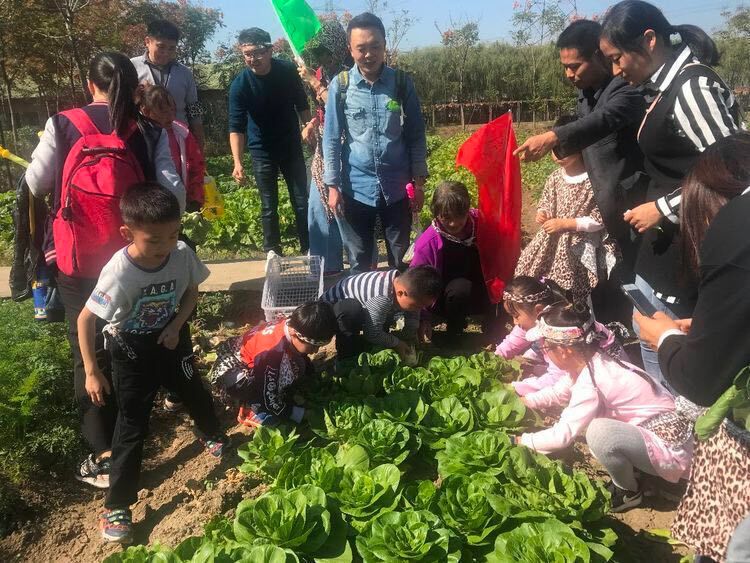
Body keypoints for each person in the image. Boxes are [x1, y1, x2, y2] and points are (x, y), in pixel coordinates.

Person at [25, 52, 185, 490]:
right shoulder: (145, 129)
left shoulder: (63, 124)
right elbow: (172, 192)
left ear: (88, 84)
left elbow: (35, 183)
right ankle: (140, 424)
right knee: (137, 330)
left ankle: (103, 451)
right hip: (133, 258)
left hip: (78, 259)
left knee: (88, 346)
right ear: (134, 87)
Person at [599, 0, 742, 384]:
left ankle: (678, 418)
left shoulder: (693, 87)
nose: (615, 70)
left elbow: (734, 173)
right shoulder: (665, 87)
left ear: (649, 40)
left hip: (691, 247)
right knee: (653, 336)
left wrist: (663, 207)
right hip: (668, 247)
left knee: (674, 351)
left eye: (617, 58)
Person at [77, 182, 225, 543]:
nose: (165, 247)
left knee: (193, 389)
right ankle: (117, 505)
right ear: (127, 233)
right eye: (154, 240)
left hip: (171, 337)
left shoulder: (181, 253)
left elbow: (191, 293)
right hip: (130, 350)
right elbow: (85, 319)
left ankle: (211, 433)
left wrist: (176, 326)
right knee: (133, 423)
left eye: (173, 235)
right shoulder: (119, 271)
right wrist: (92, 371)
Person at [634, 133, 750, 562]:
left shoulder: (737, 226)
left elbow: (700, 380)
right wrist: (710, 326)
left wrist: (664, 337)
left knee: (733, 545)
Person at [517, 303, 695, 513]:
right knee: (601, 432)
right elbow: (559, 391)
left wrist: (520, 441)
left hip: (673, 451)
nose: (544, 352)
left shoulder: (592, 382)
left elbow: (562, 436)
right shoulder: (593, 361)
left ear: (564, 351)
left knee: (599, 435)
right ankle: (642, 470)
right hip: (668, 435)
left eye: (545, 347)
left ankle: (629, 491)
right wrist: (526, 402)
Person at [514, 19, 647, 290]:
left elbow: (603, 120)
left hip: (630, 209)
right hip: (603, 207)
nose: (568, 74)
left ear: (598, 56)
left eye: (574, 66)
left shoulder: (625, 86)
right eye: (564, 67)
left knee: (631, 282)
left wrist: (553, 137)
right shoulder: (586, 93)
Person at [323, 12, 428, 274]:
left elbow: (416, 133)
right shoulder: (341, 86)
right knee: (359, 260)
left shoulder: (401, 83)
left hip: (398, 187)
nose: (369, 54)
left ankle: (399, 299)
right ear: (350, 49)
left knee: (401, 259)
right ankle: (364, 299)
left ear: (384, 46)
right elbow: (332, 138)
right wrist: (333, 186)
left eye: (375, 46)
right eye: (361, 48)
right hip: (355, 187)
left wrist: (419, 183)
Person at [514, 115, 619, 305]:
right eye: (555, 150)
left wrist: (566, 224)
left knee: (574, 280)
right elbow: (546, 201)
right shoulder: (555, 178)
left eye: (565, 149)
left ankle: (578, 308)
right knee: (530, 264)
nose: (558, 155)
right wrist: (543, 213)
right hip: (554, 236)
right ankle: (549, 303)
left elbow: (600, 219)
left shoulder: (593, 181)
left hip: (581, 240)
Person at [229, 27, 311, 255]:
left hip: (290, 145)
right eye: (247, 54)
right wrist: (237, 162)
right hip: (262, 150)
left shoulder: (287, 71)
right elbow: (236, 127)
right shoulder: (240, 85)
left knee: (301, 200)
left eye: (257, 52)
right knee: (268, 204)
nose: (253, 59)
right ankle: (272, 250)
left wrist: (309, 128)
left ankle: (309, 247)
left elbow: (302, 104)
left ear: (270, 50)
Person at [497, 276, 626, 403]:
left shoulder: (558, 331)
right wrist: (495, 358)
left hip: (607, 386)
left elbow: (557, 379)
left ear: (538, 310)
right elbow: (514, 340)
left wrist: (514, 388)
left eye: (516, 316)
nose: (514, 322)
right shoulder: (544, 317)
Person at [212, 301, 337, 428]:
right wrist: (300, 414)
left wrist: (312, 377)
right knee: (273, 417)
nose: (315, 351)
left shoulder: (294, 323)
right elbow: (268, 397)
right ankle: (252, 408)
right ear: (295, 334)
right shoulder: (271, 354)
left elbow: (302, 358)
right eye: (313, 346)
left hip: (256, 360)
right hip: (237, 375)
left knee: (299, 367)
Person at [299, 20, 353, 276]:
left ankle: (358, 263)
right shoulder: (321, 72)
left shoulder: (351, 73)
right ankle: (326, 265)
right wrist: (311, 124)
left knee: (344, 203)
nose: (322, 57)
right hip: (325, 144)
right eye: (319, 52)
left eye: (326, 51)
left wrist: (314, 82)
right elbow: (322, 111)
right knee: (318, 204)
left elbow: (340, 107)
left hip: (348, 146)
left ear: (339, 48)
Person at [409, 181, 492, 340]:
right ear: (436, 213)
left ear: (467, 210)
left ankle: (493, 328)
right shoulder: (428, 243)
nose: (453, 223)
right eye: (446, 217)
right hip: (447, 298)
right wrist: (423, 318)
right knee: (460, 289)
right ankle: (455, 331)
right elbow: (417, 283)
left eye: (460, 216)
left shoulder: (481, 223)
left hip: (479, 289)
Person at [320, 265, 442, 362]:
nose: (418, 309)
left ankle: (373, 343)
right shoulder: (381, 297)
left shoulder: (400, 282)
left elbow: (413, 315)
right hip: (329, 314)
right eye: (416, 306)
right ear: (401, 293)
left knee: (388, 317)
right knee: (355, 317)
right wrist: (398, 343)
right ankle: (347, 358)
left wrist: (411, 334)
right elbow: (372, 333)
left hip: (368, 307)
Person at [131, 19, 205, 148]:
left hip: (178, 141)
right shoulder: (132, 68)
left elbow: (194, 109)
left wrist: (199, 143)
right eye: (161, 47)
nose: (166, 53)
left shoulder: (184, 73)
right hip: (142, 140)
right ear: (147, 41)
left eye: (172, 48)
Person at [137, 84, 205, 214]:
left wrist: (195, 197)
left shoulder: (183, 134)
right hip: (151, 202)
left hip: (182, 197)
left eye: (172, 110)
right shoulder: (140, 136)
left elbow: (196, 167)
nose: (170, 116)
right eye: (163, 111)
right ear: (145, 111)